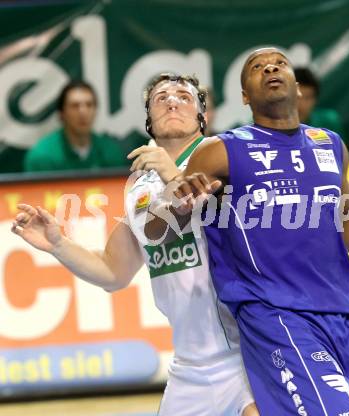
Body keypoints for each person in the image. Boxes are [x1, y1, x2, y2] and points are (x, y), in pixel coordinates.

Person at [150, 48, 349, 415]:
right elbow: (163, 222)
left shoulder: (330, 145)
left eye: (279, 63)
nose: (270, 67)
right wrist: (178, 198)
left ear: (298, 87)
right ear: (245, 95)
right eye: (257, 68)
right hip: (280, 320)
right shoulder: (220, 149)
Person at [12, 73, 257, 416]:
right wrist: (58, 244)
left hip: (247, 356)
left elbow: (195, 209)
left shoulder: (223, 156)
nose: (172, 101)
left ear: (203, 115)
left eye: (184, 97)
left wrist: (172, 174)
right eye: (161, 98)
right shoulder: (140, 185)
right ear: (148, 120)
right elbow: (114, 271)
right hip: (190, 367)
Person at [24, 80, 127, 172]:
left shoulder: (110, 152)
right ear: (61, 114)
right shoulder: (42, 156)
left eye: (89, 105)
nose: (83, 112)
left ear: (96, 111)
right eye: (75, 106)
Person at [295, 67, 346, 141]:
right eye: (297, 97)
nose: (301, 104)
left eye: (308, 97)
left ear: (316, 99)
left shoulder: (329, 121)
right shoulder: (275, 125)